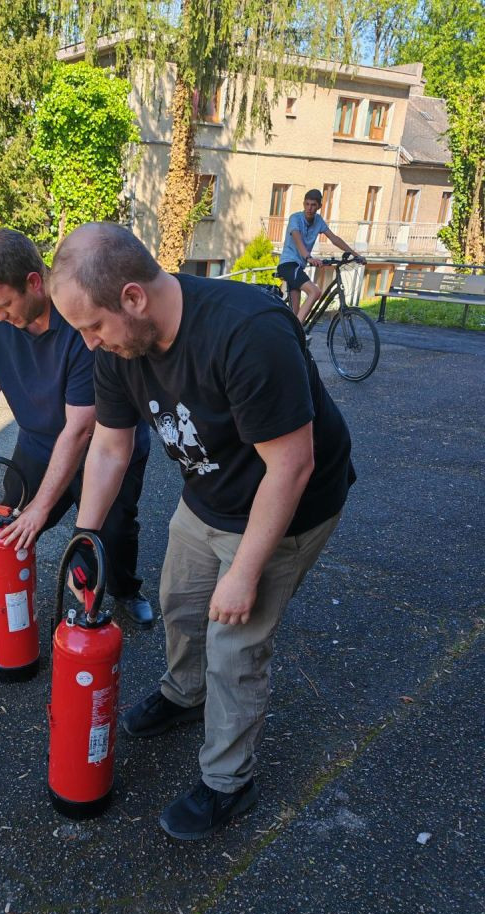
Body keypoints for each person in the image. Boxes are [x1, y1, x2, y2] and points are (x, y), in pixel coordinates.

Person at [50, 222, 356, 841]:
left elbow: (292, 465)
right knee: (180, 604)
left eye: (93, 327)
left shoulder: (247, 332)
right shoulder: (117, 348)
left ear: (133, 298)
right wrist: (86, 537)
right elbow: (109, 448)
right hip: (209, 494)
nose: (88, 345)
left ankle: (228, 782)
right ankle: (184, 696)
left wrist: (244, 573)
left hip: (287, 502)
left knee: (234, 646)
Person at [0, 228, 153, 628]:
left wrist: (42, 509)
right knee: (12, 524)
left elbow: (80, 428)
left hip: (105, 447)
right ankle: (6, 604)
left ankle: (126, 591)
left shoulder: (79, 319)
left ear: (34, 282)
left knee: (111, 534)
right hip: (39, 443)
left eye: (5, 303)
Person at [277, 188, 365, 324]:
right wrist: (308, 257)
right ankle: (297, 331)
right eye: (307, 204)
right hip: (288, 265)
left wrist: (355, 255)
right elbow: (297, 238)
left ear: (319, 206)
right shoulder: (295, 218)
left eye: (313, 205)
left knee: (295, 314)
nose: (309, 208)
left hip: (299, 267)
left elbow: (334, 238)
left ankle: (291, 337)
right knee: (315, 292)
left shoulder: (318, 221)